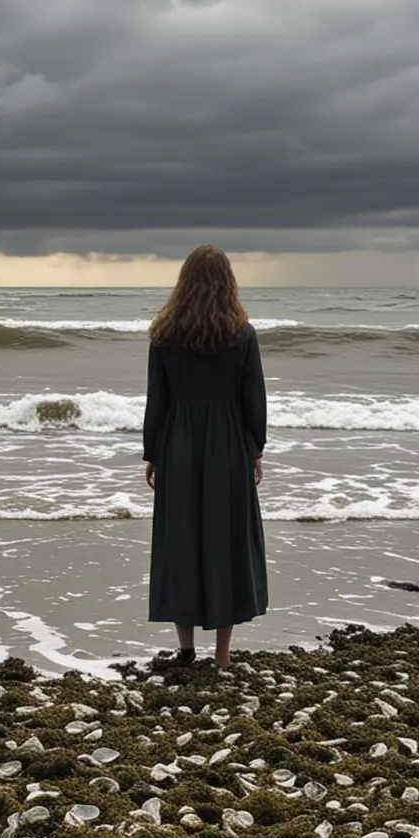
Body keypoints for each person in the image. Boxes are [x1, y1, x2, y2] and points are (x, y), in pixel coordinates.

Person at [143, 244, 268, 670]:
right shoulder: (242, 334)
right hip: (228, 445)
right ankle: (222, 656)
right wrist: (256, 449)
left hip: (177, 443)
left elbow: (156, 401)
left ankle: (185, 650)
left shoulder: (164, 334)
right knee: (226, 542)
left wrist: (153, 453)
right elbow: (254, 399)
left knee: (181, 541)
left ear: (184, 283)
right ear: (228, 284)